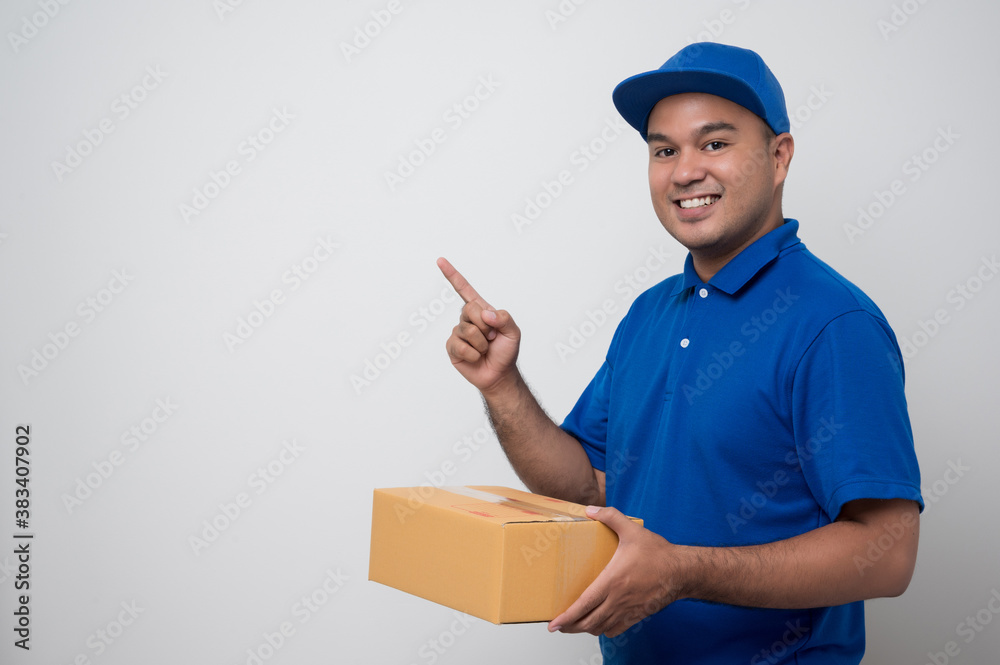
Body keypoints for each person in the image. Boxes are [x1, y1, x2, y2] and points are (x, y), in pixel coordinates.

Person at [437, 42, 922, 664]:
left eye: (714, 143)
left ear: (780, 157)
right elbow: (588, 485)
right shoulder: (651, 312)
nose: (684, 171)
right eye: (664, 150)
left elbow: (888, 553)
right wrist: (500, 386)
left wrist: (682, 571)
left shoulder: (832, 324)